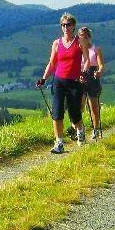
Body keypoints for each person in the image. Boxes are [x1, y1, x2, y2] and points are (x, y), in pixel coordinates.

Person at [36, 13, 88, 154]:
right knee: (57, 113)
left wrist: (84, 71)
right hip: (58, 81)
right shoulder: (57, 43)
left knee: (74, 114)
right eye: (63, 25)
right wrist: (44, 78)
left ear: (73, 26)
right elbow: (52, 63)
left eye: (68, 24)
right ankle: (59, 143)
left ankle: (80, 130)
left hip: (74, 82)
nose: (65, 27)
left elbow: (87, 60)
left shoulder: (80, 41)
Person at [77, 26, 104, 140]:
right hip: (80, 75)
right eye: (81, 37)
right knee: (80, 105)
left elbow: (101, 64)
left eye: (86, 37)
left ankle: (96, 128)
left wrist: (99, 71)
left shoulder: (96, 49)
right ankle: (79, 129)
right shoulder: (77, 49)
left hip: (92, 75)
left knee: (93, 105)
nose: (84, 39)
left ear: (89, 37)